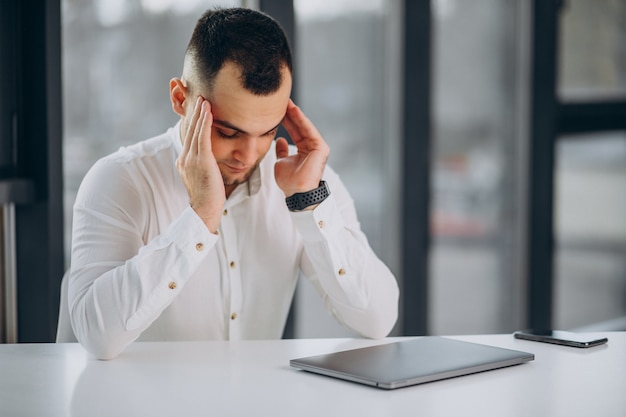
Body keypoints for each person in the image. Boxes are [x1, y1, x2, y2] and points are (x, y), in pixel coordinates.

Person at [68, 7, 399, 360]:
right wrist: (200, 217)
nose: (249, 154)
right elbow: (97, 336)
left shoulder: (305, 179)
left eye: (269, 131)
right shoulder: (119, 179)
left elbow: (377, 320)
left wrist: (308, 202)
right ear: (181, 98)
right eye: (228, 132)